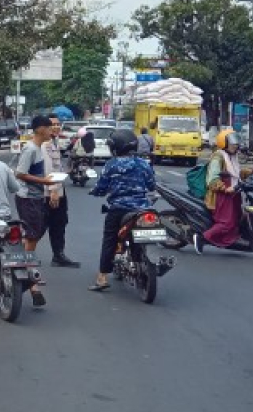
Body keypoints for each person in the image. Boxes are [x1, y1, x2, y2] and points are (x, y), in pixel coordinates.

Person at [88, 128, 157, 291]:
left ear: (115, 147)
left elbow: (101, 188)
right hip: (142, 208)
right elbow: (151, 185)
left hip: (119, 209)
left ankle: (102, 277)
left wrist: (95, 191)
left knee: (109, 239)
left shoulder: (111, 165)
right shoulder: (143, 164)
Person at [13, 115, 57, 304]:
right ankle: (28, 275)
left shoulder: (39, 148)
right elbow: (20, 173)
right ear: (40, 129)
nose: (52, 131)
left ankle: (24, 268)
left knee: (33, 235)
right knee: (32, 236)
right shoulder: (30, 149)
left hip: (36, 197)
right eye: (49, 128)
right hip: (28, 197)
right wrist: (44, 181)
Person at [194, 130, 253, 253]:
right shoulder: (218, 157)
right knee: (226, 223)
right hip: (222, 196)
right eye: (233, 142)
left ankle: (231, 240)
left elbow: (236, 174)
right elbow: (212, 180)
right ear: (224, 143)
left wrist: (252, 171)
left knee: (237, 220)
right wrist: (225, 188)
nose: (236, 145)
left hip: (234, 193)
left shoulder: (232, 157)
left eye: (236, 142)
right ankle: (201, 238)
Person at [42, 116, 79, 268]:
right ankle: (24, 259)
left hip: (59, 190)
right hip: (49, 192)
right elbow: (48, 168)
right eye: (53, 125)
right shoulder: (45, 145)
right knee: (39, 228)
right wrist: (53, 191)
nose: (56, 127)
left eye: (58, 124)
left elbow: (57, 167)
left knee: (60, 223)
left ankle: (58, 255)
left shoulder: (55, 142)